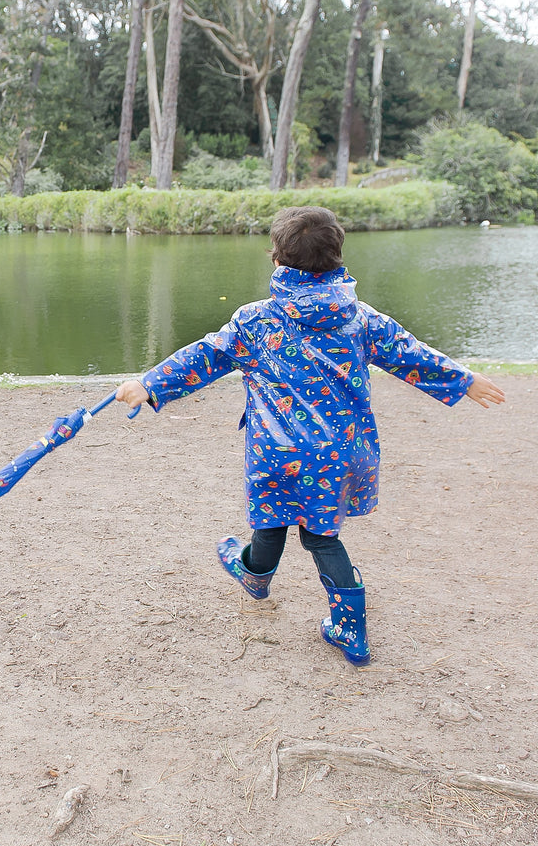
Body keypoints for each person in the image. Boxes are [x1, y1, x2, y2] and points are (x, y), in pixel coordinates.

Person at [114, 206, 505, 667]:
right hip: (340, 455)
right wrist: (463, 379)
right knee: (321, 538)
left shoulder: (255, 321)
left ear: (277, 259)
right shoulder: (361, 319)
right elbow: (409, 353)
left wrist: (149, 384)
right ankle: (349, 628)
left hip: (277, 452)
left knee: (271, 519)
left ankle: (255, 574)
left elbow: (203, 356)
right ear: (337, 256)